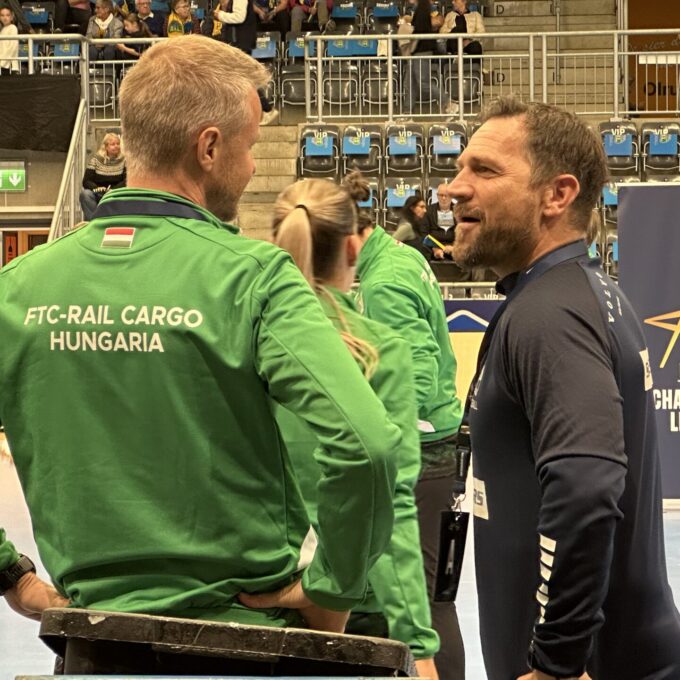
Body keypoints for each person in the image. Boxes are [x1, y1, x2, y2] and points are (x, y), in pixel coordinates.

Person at [0, 35, 400, 640]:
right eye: (250, 146)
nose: (251, 166)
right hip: (244, 638)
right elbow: (366, 445)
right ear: (209, 147)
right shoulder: (253, 276)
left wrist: (11, 575)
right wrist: (333, 588)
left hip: (92, 639)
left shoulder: (18, 287)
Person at [449, 95, 680, 680]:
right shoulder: (584, 293)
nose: (454, 187)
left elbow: (585, 485)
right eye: (459, 166)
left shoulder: (550, 315)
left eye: (484, 170)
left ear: (557, 194)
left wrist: (556, 662)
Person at [271, 174, 440, 680]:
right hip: (357, 604)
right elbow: (392, 502)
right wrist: (417, 643)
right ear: (352, 248)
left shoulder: (241, 343)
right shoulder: (376, 351)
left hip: (257, 592)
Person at [356, 192, 465, 680]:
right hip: (441, 441)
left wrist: (384, 433)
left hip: (423, 450)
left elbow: (415, 371)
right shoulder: (402, 255)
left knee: (420, 601)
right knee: (435, 597)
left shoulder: (383, 281)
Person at [398, 0, 442, 115]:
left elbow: (420, 29)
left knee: (424, 83)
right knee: (410, 83)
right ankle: (407, 112)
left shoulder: (422, 7)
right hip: (418, 50)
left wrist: (406, 28)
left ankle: (447, 102)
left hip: (422, 49)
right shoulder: (422, 7)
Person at [79, 132, 126, 220]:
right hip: (99, 193)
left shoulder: (124, 160)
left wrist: (113, 190)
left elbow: (127, 180)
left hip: (116, 194)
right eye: (113, 144)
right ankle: (95, 221)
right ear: (106, 147)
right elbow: (86, 181)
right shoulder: (96, 160)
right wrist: (96, 188)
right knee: (85, 194)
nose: (116, 146)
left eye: (118, 144)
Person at [424, 183, 455, 260]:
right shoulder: (428, 210)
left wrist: (455, 248)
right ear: (437, 196)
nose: (443, 198)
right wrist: (434, 249)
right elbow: (424, 234)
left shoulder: (459, 210)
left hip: (455, 249)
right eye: (441, 195)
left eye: (446, 195)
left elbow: (464, 235)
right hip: (433, 249)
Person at [0, 5, 19, 75]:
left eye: (7, 15)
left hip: (9, 66)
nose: (5, 18)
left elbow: (12, 48)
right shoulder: (2, 29)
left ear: (11, 17)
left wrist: (2, 64)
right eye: (2, 15)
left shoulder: (13, 28)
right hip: (3, 65)